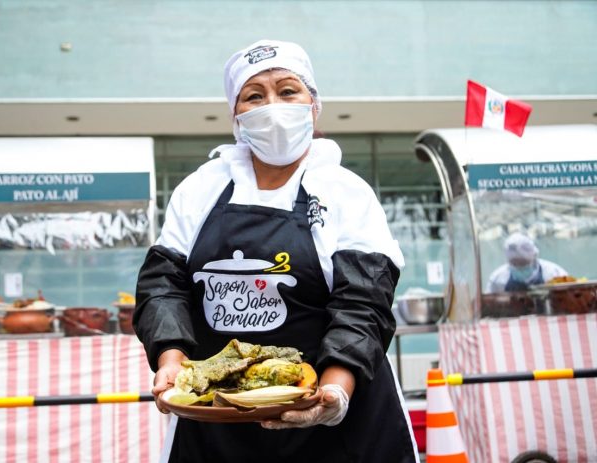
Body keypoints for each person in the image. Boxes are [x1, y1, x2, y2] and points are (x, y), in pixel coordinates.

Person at [134, 39, 418, 463]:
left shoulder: (345, 191)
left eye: (288, 91)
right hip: (216, 423)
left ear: (313, 104)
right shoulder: (201, 188)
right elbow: (164, 285)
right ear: (236, 115)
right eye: (254, 96)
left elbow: (364, 303)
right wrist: (171, 360)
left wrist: (335, 392)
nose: (273, 106)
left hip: (336, 422)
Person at [486, 232, 568, 293]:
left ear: (534, 256)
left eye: (523, 263)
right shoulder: (497, 279)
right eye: (515, 264)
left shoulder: (555, 273)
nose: (520, 267)